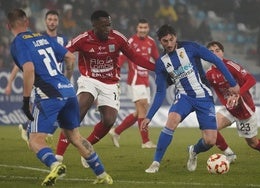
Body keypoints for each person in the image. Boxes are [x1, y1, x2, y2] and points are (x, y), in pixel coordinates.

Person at [7, 8, 113, 185]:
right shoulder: (43, 38)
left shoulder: (18, 43)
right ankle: (103, 175)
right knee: (75, 137)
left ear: (8, 25)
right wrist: (67, 80)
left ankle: (55, 165)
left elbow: (29, 69)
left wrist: (26, 100)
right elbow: (70, 58)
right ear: (27, 23)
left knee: (34, 139)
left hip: (49, 95)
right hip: (68, 91)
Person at [55, 10, 155, 166]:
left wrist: (157, 68)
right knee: (78, 111)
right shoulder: (83, 39)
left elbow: (134, 57)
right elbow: (65, 51)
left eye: (109, 25)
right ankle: (58, 157)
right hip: (89, 80)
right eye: (104, 26)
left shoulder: (118, 38)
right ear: (94, 25)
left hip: (110, 84)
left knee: (109, 120)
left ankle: (86, 147)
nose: (108, 29)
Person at [142, 24, 240, 173]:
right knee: (172, 119)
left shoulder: (191, 47)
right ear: (160, 41)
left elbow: (217, 60)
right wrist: (149, 116)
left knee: (210, 141)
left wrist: (233, 83)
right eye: (165, 41)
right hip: (184, 97)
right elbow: (161, 92)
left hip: (204, 97)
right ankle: (155, 163)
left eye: (171, 39)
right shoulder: (162, 63)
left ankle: (194, 150)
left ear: (176, 37)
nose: (169, 44)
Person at [5, 10, 68, 145]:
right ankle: (34, 136)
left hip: (58, 82)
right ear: (45, 21)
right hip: (42, 82)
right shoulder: (37, 37)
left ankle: (31, 131)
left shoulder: (63, 40)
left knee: (58, 111)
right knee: (47, 112)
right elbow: (21, 65)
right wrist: (10, 83)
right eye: (50, 19)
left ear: (58, 22)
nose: (52, 22)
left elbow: (68, 57)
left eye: (55, 20)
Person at [206, 41, 260, 163]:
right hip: (229, 109)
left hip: (244, 110)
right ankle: (229, 154)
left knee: (253, 143)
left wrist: (237, 94)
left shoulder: (231, 66)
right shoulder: (209, 73)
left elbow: (251, 79)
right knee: (210, 127)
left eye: (217, 50)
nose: (214, 53)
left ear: (222, 52)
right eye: (211, 52)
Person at [108, 18, 159, 149]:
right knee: (142, 108)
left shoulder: (151, 42)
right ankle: (146, 141)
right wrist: (114, 73)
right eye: (140, 28)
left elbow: (157, 59)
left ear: (148, 29)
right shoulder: (130, 41)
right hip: (135, 80)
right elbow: (121, 59)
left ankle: (116, 131)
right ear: (137, 28)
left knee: (139, 112)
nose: (142, 30)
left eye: (145, 28)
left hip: (146, 81)